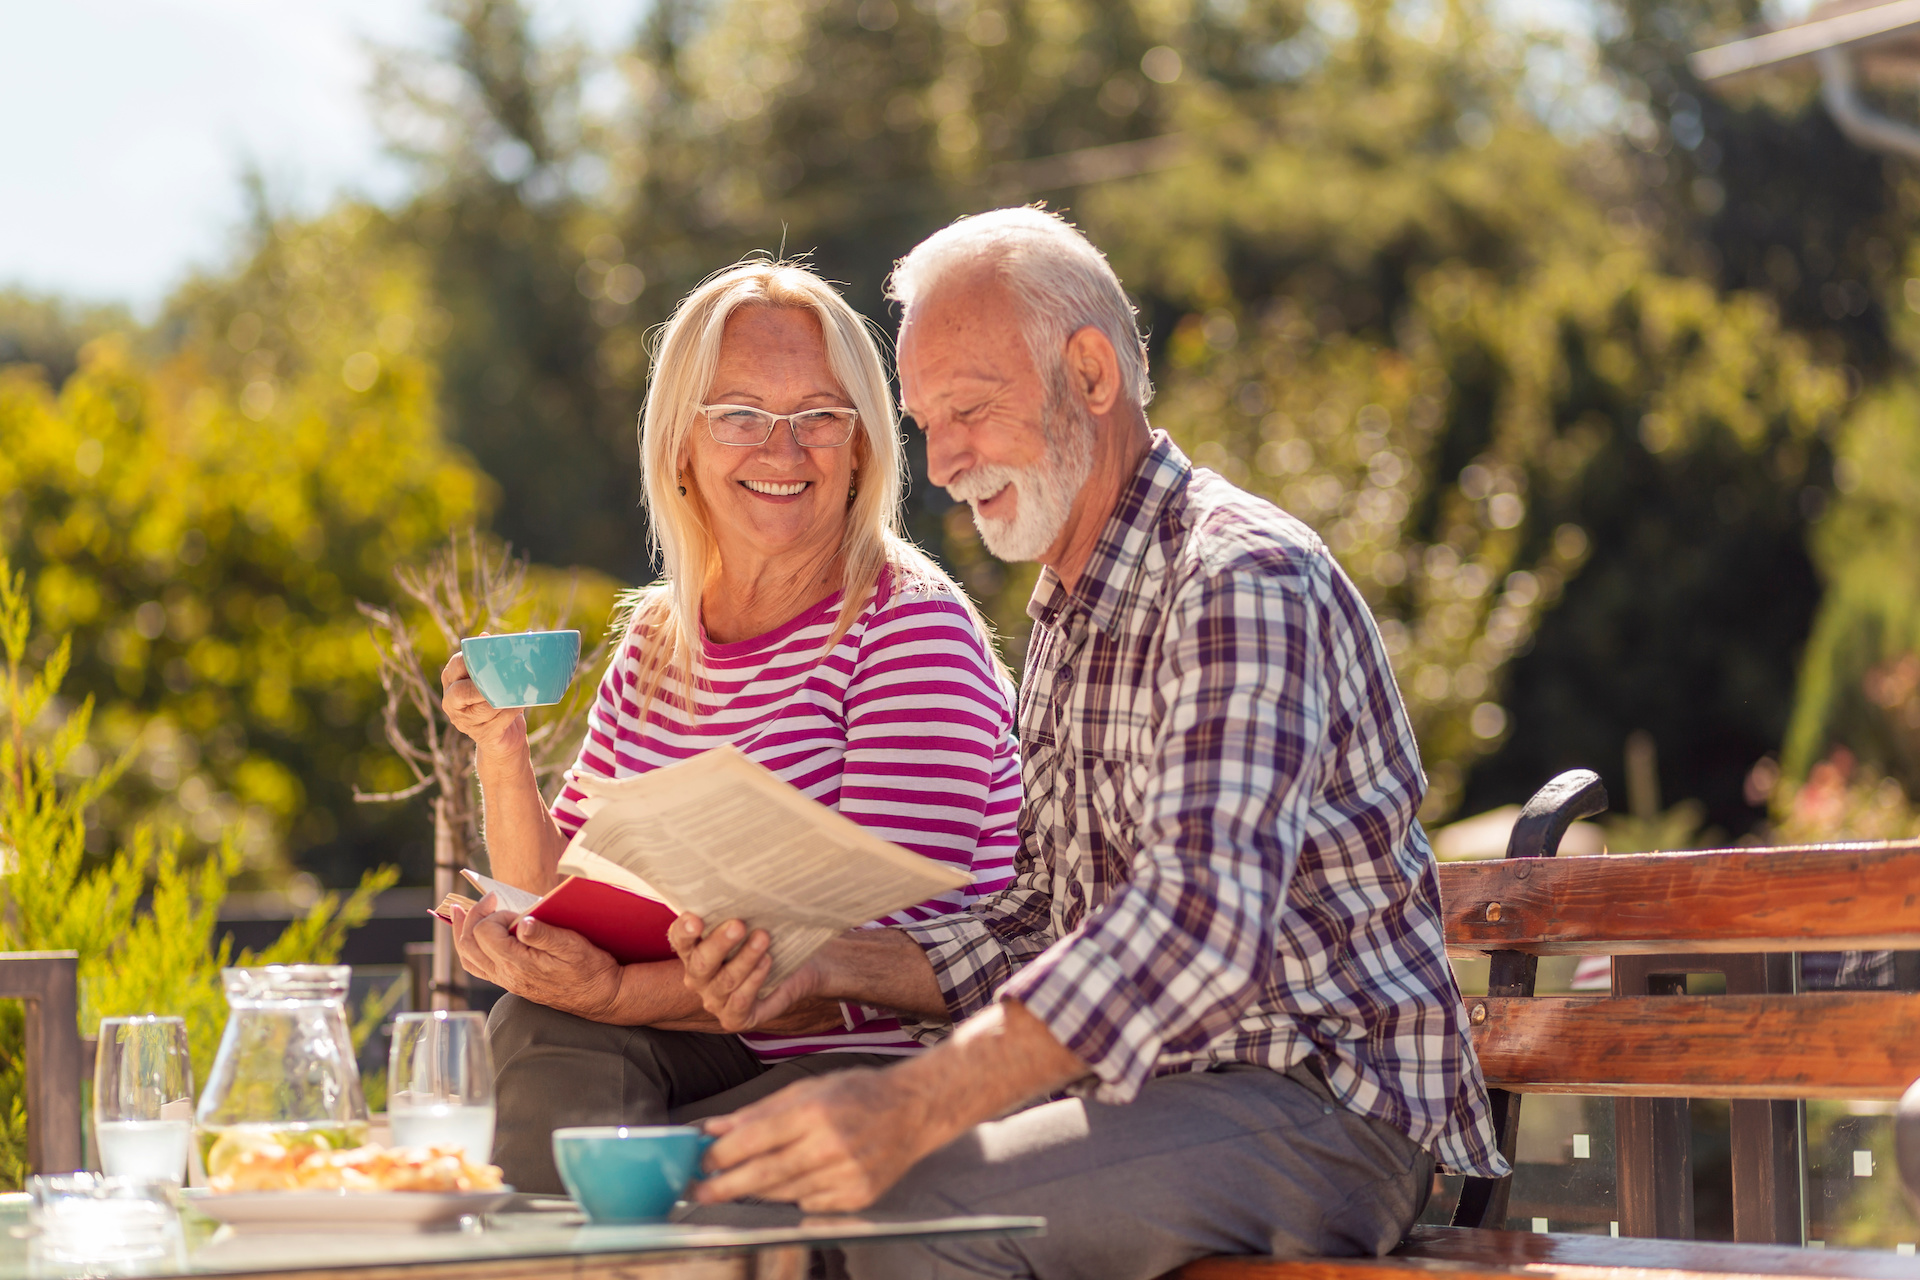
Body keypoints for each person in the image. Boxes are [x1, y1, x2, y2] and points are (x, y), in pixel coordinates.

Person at [669, 209, 1509, 1279]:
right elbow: (1037, 927)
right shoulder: (1068, 606)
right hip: (1150, 1094)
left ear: (1092, 373)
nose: (942, 462)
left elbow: (1198, 925)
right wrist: (823, 960)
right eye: (927, 423)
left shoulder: (1237, 576)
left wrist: (914, 1098)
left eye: (969, 410)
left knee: (909, 1207)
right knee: (731, 1176)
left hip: (1324, 1109)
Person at [439, 260, 1022, 1195]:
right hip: (700, 1045)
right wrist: (500, 750)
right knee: (542, 1026)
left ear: (863, 445)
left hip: (870, 1064)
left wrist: (621, 993)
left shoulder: (907, 623)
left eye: (820, 418)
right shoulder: (657, 641)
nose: (782, 451)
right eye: (741, 415)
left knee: (634, 1122)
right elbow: (559, 894)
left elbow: (873, 953)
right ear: (682, 446)